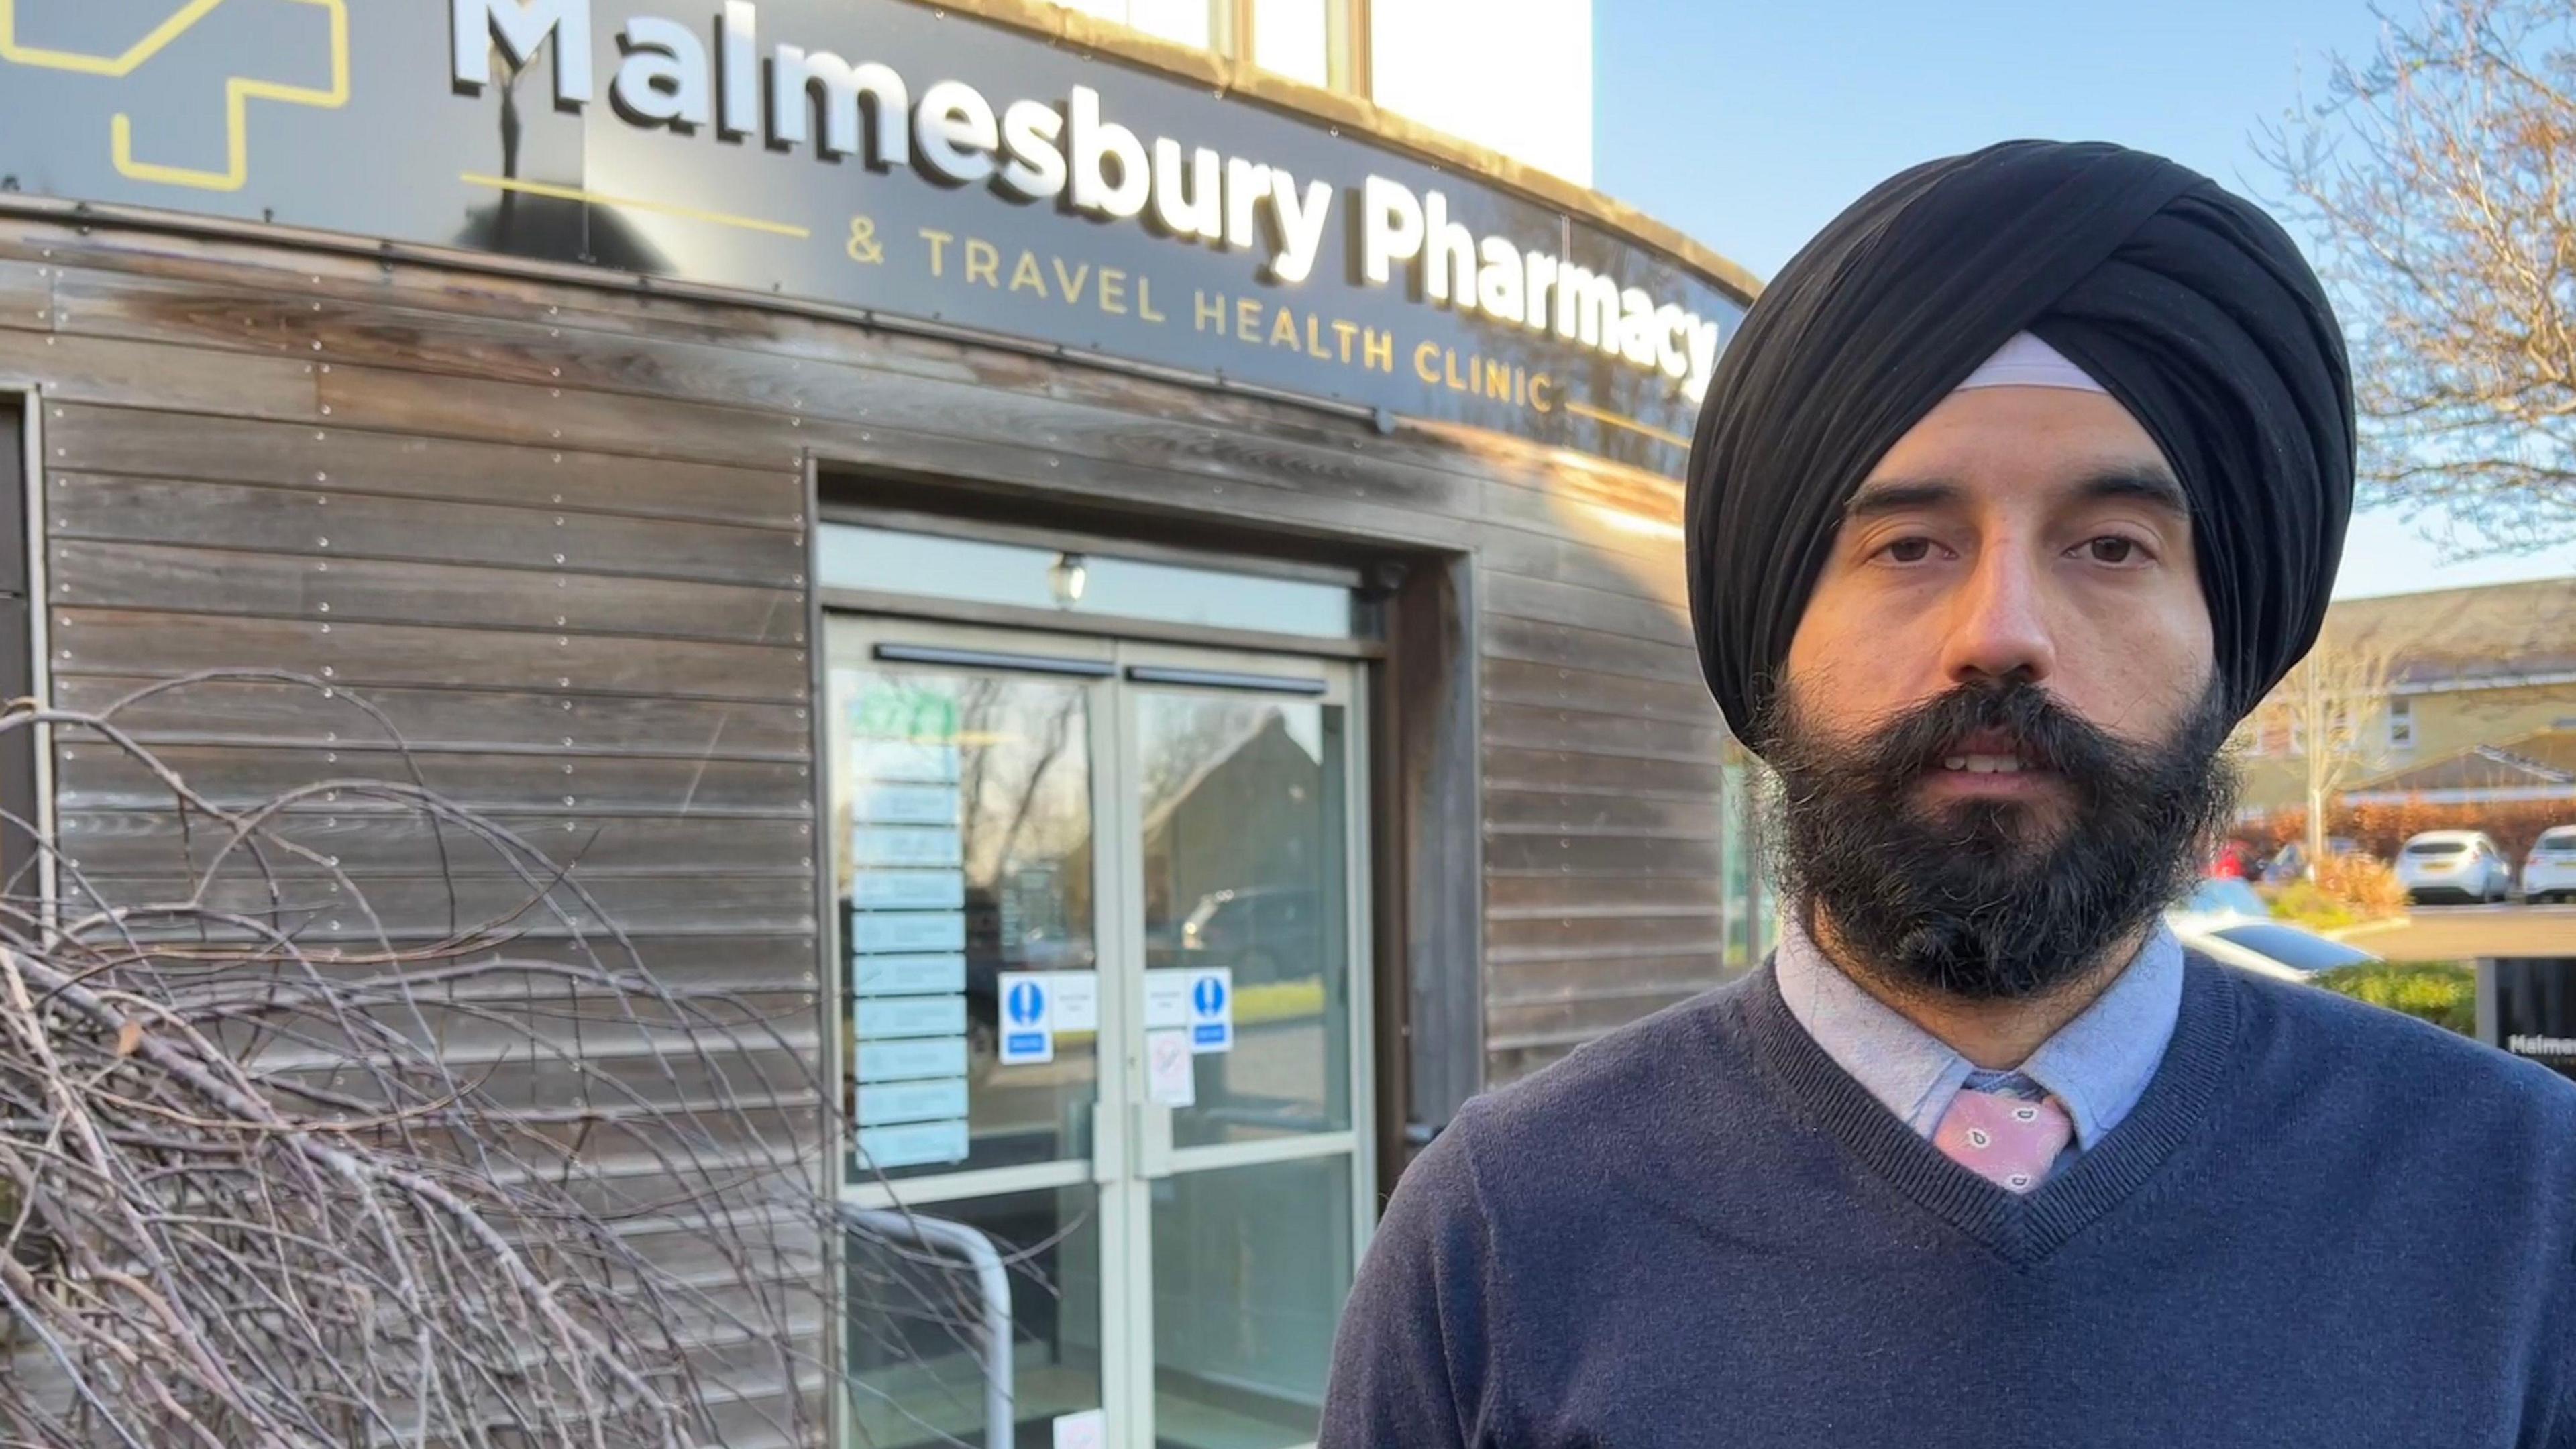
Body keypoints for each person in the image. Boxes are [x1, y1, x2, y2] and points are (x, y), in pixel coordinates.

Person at [1320, 141, 2576, 1445]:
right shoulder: (1505, 1226)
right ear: (1774, 637)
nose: (2002, 632)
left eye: (2108, 546)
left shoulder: (2521, 1197)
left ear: (2226, 638)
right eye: (1911, 544)